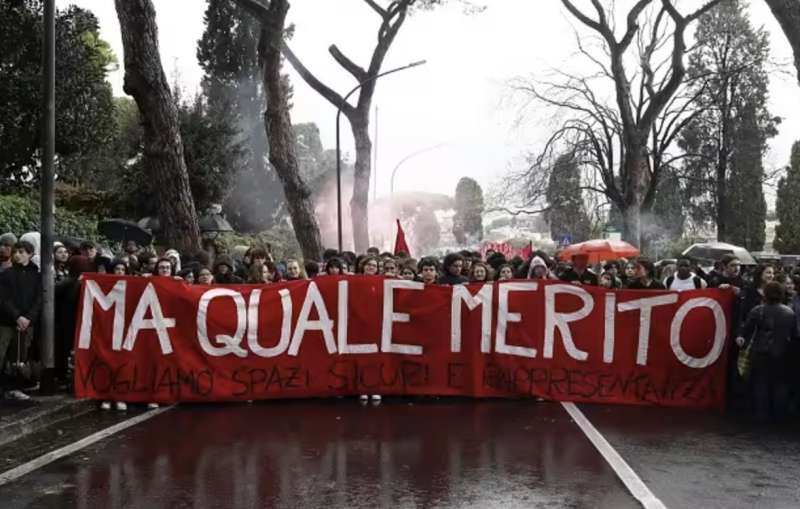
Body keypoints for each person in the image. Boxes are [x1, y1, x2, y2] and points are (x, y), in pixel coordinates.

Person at [735, 281, 798, 421]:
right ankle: (779, 414)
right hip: (782, 353)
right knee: (780, 384)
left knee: (760, 383)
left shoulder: (758, 310)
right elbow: (794, 335)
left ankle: (761, 414)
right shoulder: (789, 312)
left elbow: (746, 329)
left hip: (760, 352)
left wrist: (740, 337)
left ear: (766, 294)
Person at [0, 241, 42, 401]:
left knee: (19, 356)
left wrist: (29, 318)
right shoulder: (6, 274)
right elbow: (4, 299)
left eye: (22, 252)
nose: (17, 255)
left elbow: (39, 299)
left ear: (30, 254)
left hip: (26, 322)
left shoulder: (37, 276)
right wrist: (17, 316)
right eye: (16, 251)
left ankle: (14, 387)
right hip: (6, 321)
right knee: (2, 352)